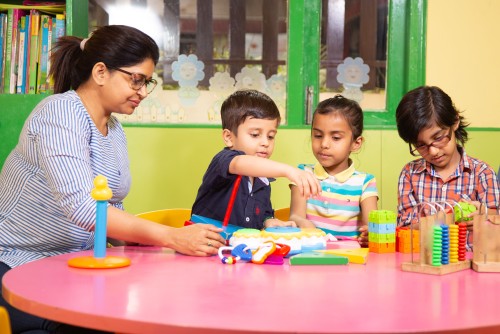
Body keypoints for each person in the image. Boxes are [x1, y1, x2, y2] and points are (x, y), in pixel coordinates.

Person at [0, 25, 225, 334]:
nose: (143, 92)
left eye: (148, 82)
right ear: (101, 72)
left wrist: (169, 246)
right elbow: (84, 208)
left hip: (73, 264)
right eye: (135, 79)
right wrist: (170, 237)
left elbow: (112, 211)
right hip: (18, 262)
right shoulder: (60, 113)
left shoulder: (114, 130)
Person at [191, 89, 321, 230]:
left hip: (239, 248)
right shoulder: (223, 160)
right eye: (255, 134)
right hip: (204, 244)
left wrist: (268, 221)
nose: (265, 142)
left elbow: (262, 215)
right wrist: (288, 171)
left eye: (270, 136)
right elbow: (241, 163)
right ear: (229, 137)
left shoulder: (263, 180)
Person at [395, 86, 499, 228]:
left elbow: (495, 219)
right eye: (421, 145)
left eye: (438, 138)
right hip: (424, 250)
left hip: (469, 251)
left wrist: (484, 215)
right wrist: (449, 218)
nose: (432, 152)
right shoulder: (410, 174)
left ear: (455, 122)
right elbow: (405, 227)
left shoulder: (482, 173)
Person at [288, 95, 378, 246]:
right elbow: (296, 216)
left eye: (335, 138)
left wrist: (372, 234)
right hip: (312, 250)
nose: (324, 144)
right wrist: (303, 224)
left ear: (356, 143)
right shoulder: (302, 174)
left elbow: (372, 228)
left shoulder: (365, 182)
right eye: (318, 135)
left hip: (351, 258)